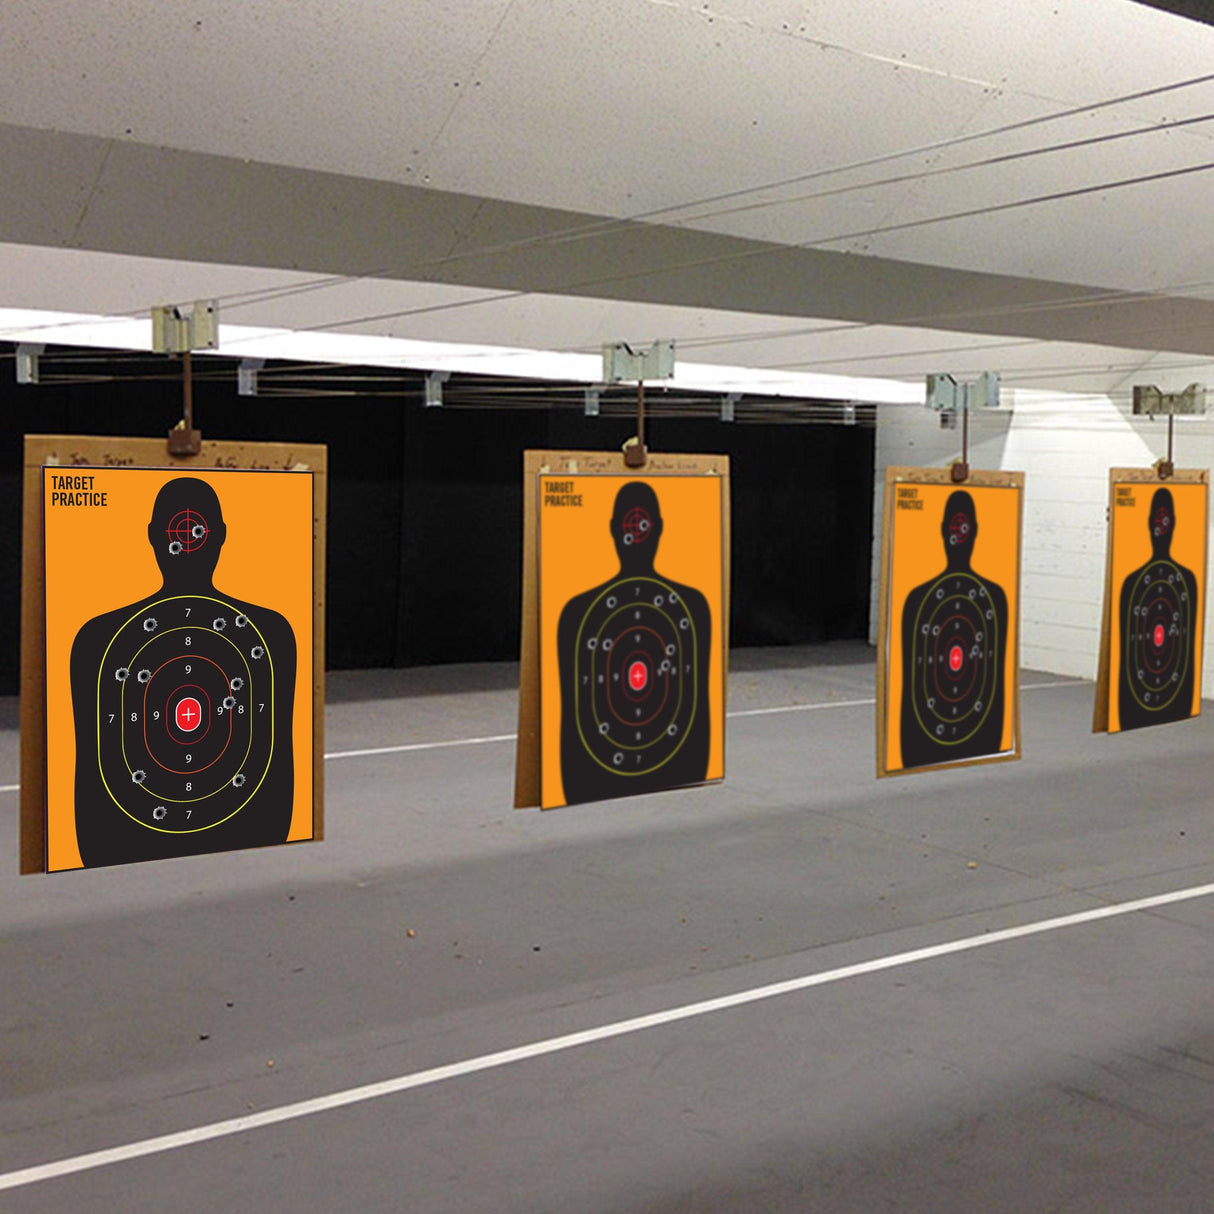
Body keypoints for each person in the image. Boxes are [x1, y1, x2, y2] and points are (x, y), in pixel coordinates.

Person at [70, 477, 296, 866]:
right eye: (179, 530)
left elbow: (272, 772)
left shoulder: (99, 638)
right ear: (155, 536)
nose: (189, 539)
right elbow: (97, 781)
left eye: (195, 529)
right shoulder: (268, 632)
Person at [556, 481, 712, 805]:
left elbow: (696, 719)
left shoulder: (692, 607)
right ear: (614, 529)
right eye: (631, 524)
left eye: (643, 523)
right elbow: (575, 729)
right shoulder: (577, 614)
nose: (636, 532)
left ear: (658, 528)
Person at [899, 489, 1008, 769]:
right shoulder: (919, 600)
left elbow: (993, 691)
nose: (959, 535)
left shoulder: (993, 598)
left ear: (975, 531)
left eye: (963, 527)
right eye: (955, 527)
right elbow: (914, 697)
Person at [1116, 486, 1198, 731]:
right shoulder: (1133, 584)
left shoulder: (1185, 580)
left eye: (1165, 520)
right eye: (1157, 520)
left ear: (1173, 524)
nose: (1160, 528)